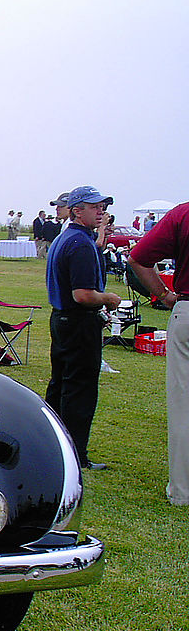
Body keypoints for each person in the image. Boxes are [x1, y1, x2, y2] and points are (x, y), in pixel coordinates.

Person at [44, 186, 121, 471]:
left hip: (63, 320)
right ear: (78, 210)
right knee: (79, 390)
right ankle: (75, 454)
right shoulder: (79, 244)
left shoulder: (69, 238)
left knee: (61, 385)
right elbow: (83, 295)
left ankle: (55, 445)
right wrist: (109, 299)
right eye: (94, 207)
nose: (101, 211)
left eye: (103, 207)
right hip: (77, 321)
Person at [129, 202, 188, 505]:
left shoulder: (182, 214)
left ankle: (183, 490)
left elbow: (138, 258)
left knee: (183, 407)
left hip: (187, 309)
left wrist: (164, 295)